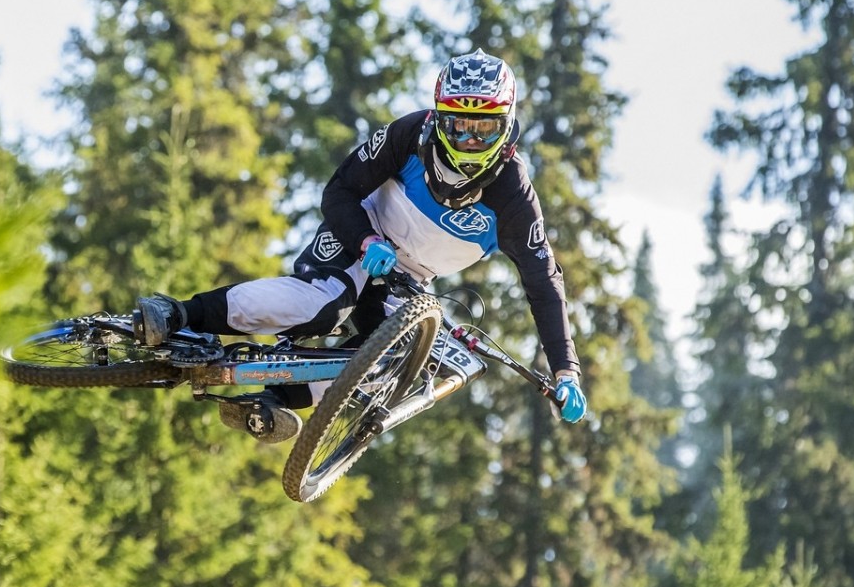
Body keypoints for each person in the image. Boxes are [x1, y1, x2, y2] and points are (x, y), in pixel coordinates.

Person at [132, 49, 586, 442]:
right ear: (437, 116)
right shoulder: (409, 134)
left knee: (405, 364)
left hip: (408, 281)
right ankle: (180, 313)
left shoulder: (514, 197)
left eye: (483, 131)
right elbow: (338, 192)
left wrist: (566, 370)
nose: (468, 142)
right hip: (360, 236)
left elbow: (544, 284)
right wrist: (367, 240)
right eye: (458, 126)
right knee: (325, 303)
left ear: (506, 128)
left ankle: (273, 400)